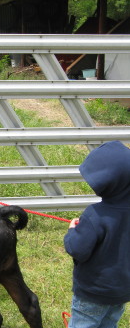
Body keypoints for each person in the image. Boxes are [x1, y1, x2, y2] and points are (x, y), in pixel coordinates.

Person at [64, 140, 130, 328]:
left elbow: (78, 249)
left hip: (93, 292)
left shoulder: (95, 215)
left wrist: (72, 232)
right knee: (109, 324)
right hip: (122, 291)